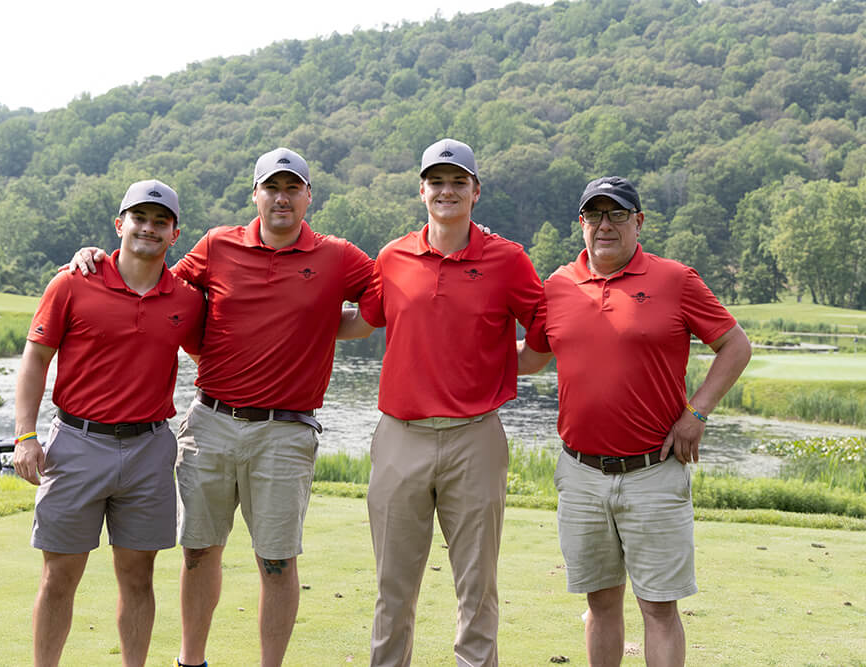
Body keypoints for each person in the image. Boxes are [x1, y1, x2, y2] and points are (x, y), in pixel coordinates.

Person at [69, 148, 374, 667]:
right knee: (197, 551)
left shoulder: (337, 255)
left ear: (308, 197)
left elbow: (383, 301)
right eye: (271, 188)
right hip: (210, 422)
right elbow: (161, 287)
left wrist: (328, 325)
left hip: (285, 431)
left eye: (292, 188)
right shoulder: (218, 244)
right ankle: (191, 661)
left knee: (277, 561)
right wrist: (98, 256)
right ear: (255, 194)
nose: (281, 198)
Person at [519, 176, 752, 666]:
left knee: (659, 608)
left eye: (618, 214)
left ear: (638, 221)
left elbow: (735, 345)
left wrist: (696, 412)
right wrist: (455, 346)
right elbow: (532, 358)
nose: (605, 225)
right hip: (580, 475)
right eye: (594, 214)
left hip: (653, 472)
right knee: (600, 603)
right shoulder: (556, 286)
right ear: (581, 223)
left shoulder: (676, 280)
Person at [340, 138, 546, 666]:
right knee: (392, 587)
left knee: (477, 587)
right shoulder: (393, 257)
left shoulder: (507, 260)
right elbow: (363, 322)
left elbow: (544, 337)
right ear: (422, 191)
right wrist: (286, 320)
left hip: (475, 438)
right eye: (437, 182)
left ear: (476, 191)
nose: (446, 191)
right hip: (399, 436)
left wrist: (499, 366)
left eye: (458, 182)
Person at [13, 179, 206, 667]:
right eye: (139, 218)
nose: (149, 228)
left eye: (160, 221)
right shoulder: (73, 282)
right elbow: (35, 359)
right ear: (120, 224)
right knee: (59, 576)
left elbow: (213, 354)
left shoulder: (186, 300)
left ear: (175, 234)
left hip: (149, 449)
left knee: (139, 577)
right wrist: (25, 435)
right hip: (77, 443)